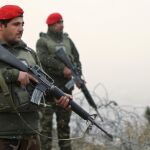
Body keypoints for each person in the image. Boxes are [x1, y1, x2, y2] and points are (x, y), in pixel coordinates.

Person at [0, 5, 71, 150]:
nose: (21, 29)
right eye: (15, 24)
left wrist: (56, 98)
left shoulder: (29, 54)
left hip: (31, 135)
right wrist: (14, 74)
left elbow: (39, 90)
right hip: (3, 135)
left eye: (22, 24)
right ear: (1, 26)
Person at [36, 12, 82, 150]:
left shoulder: (67, 40)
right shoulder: (42, 41)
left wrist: (78, 76)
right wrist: (62, 69)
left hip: (66, 91)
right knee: (45, 129)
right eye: (58, 23)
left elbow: (76, 58)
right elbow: (43, 58)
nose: (61, 25)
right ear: (50, 25)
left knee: (64, 128)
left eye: (62, 22)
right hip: (48, 90)